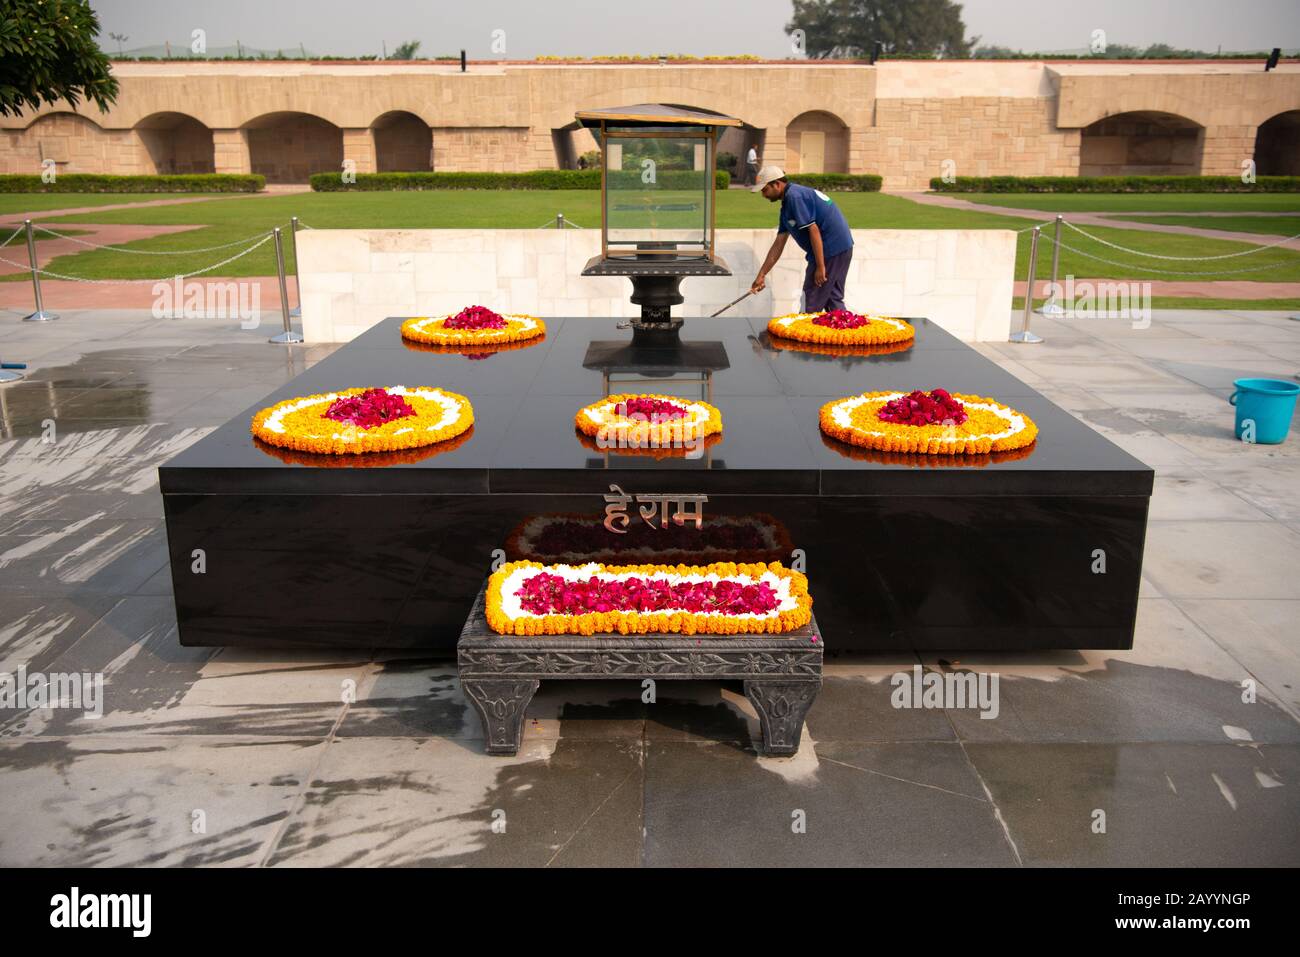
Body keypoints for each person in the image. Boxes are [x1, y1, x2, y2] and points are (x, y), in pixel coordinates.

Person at [749, 166, 854, 313]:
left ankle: (804, 334)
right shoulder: (787, 205)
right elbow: (779, 243)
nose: (763, 195)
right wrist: (762, 275)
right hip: (841, 248)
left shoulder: (794, 197)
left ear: (777, 184)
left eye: (765, 190)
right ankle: (844, 333)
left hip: (830, 250)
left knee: (810, 300)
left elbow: (814, 230)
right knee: (833, 298)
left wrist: (820, 266)